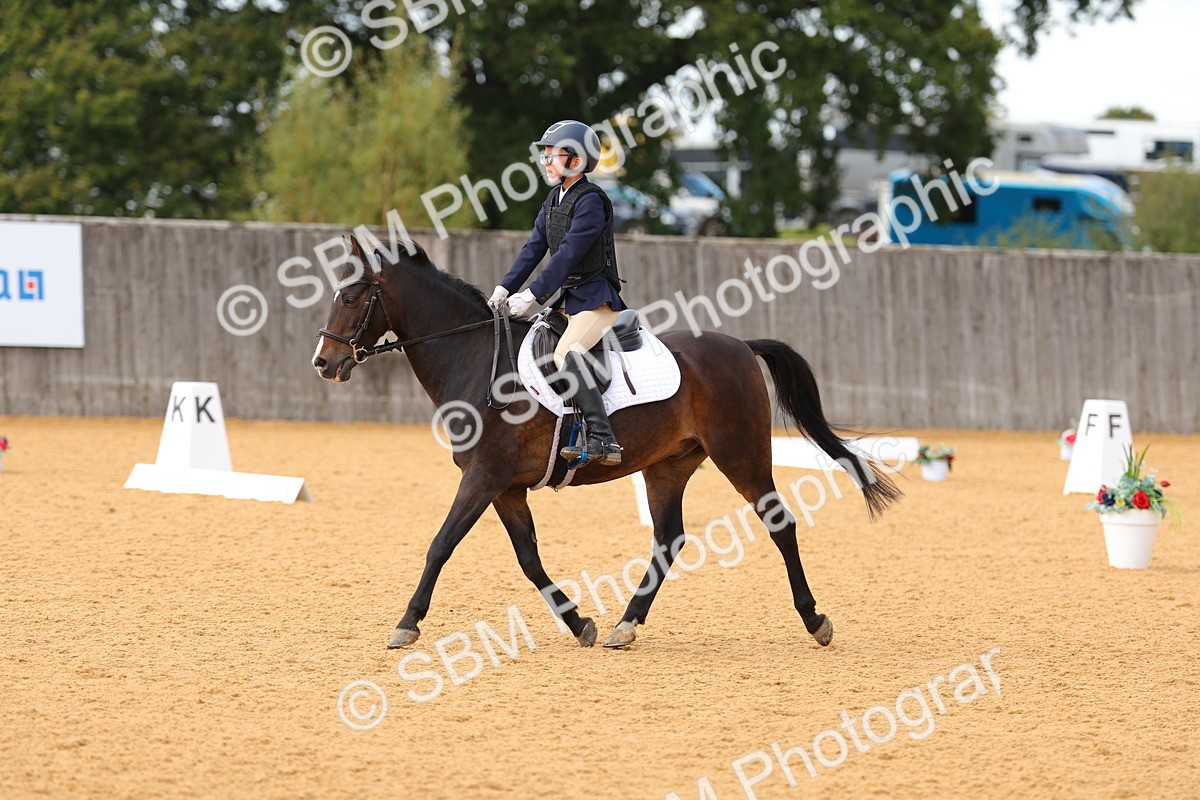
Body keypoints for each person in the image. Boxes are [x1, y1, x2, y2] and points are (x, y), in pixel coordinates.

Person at [488, 120, 625, 467]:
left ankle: (603, 439)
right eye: (545, 155)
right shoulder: (553, 199)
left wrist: (533, 294)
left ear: (577, 161)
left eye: (553, 155)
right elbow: (534, 247)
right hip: (569, 302)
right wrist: (505, 287)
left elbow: (568, 253)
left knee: (567, 354)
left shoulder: (592, 201)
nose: (546, 161)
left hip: (596, 300)